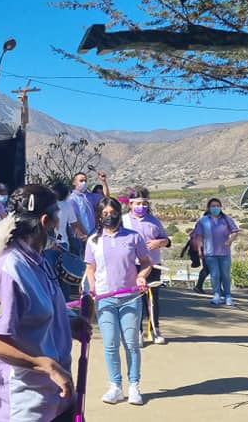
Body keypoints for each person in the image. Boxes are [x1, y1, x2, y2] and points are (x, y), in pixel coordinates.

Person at [0, 184, 89, 422]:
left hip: (58, 399)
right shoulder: (9, 268)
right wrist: (46, 366)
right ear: (45, 221)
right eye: (56, 218)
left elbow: (34, 319)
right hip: (26, 406)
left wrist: (69, 324)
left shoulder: (39, 260)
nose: (58, 225)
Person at [84, 197, 152, 405]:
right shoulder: (93, 241)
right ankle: (115, 386)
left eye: (113, 213)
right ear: (98, 216)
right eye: (104, 214)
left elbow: (146, 263)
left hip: (130, 298)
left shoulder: (133, 237)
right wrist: (92, 287)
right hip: (104, 299)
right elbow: (90, 268)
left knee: (131, 343)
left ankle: (134, 386)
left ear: (118, 214)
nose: (109, 217)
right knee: (110, 344)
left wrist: (141, 277)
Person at [121, 186, 170, 345]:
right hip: (131, 266)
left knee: (152, 299)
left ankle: (155, 330)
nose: (141, 206)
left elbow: (167, 240)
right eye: (138, 203)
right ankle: (138, 332)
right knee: (134, 299)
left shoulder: (154, 221)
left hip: (153, 265)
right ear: (130, 204)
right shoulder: (123, 221)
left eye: (144, 203)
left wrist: (159, 242)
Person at [191, 198, 239, 306]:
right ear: (208, 208)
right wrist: (199, 250)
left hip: (224, 253)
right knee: (214, 275)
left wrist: (230, 240)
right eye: (213, 206)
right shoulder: (203, 221)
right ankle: (217, 295)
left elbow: (235, 231)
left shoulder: (226, 219)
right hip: (210, 253)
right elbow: (199, 236)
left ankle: (228, 296)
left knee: (225, 275)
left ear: (221, 207)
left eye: (218, 206)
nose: (216, 208)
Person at [65, 171, 110, 255]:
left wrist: (103, 182)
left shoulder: (90, 196)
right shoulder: (71, 199)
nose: (84, 183)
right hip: (80, 238)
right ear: (74, 182)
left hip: (93, 235)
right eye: (81, 181)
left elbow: (106, 198)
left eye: (85, 181)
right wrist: (85, 235)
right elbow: (76, 219)